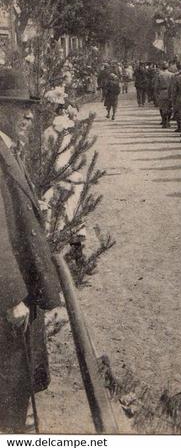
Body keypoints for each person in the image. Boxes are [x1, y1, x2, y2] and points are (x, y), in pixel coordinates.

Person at [0, 68, 61, 432]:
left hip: (21, 295)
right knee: (8, 389)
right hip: (10, 300)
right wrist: (11, 298)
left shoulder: (8, 149)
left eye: (31, 107)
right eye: (17, 105)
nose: (28, 114)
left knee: (17, 386)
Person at [154, 62, 174, 128]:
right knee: (170, 107)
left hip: (162, 92)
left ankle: (164, 121)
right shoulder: (172, 75)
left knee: (162, 108)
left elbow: (156, 86)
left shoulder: (159, 75)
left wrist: (156, 93)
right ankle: (168, 121)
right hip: (170, 92)